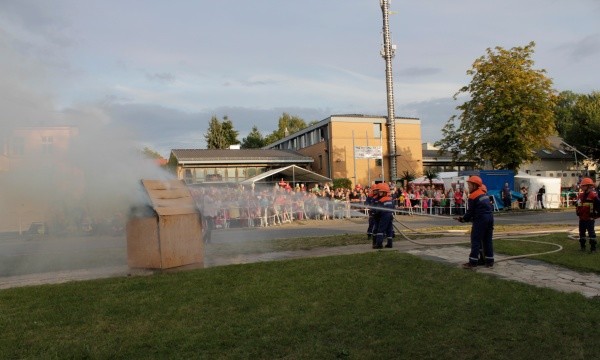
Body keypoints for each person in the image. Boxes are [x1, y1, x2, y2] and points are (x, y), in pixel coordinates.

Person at [455, 175, 495, 269]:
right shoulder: (484, 194)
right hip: (490, 219)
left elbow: (470, 212)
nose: (468, 187)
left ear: (474, 185)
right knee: (487, 240)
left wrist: (463, 219)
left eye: (469, 185)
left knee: (476, 240)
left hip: (481, 220)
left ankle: (473, 262)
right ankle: (489, 261)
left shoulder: (473, 196)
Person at [576, 177, 600, 253]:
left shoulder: (594, 196)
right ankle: (582, 247)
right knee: (581, 234)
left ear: (588, 186)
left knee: (591, 234)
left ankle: (593, 248)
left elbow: (599, 208)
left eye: (583, 186)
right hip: (582, 219)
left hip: (589, 219)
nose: (581, 187)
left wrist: (594, 217)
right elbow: (578, 205)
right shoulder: (580, 196)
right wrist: (577, 210)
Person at [373, 183, 395, 249]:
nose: (379, 193)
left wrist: (376, 214)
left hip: (384, 216)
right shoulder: (390, 199)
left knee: (380, 229)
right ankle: (389, 244)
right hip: (390, 216)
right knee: (389, 229)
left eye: (381, 192)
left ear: (385, 192)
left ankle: (379, 244)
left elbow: (378, 210)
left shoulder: (381, 200)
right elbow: (393, 207)